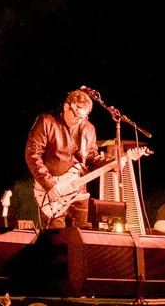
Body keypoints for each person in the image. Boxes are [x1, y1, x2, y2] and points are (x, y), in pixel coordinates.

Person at [24, 90, 109, 228]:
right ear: (66, 107)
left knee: (85, 235)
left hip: (78, 191)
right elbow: (32, 155)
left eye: (84, 117)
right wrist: (49, 184)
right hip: (54, 190)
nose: (79, 120)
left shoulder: (89, 128)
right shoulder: (46, 121)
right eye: (77, 116)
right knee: (57, 236)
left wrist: (114, 163)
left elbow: (92, 156)